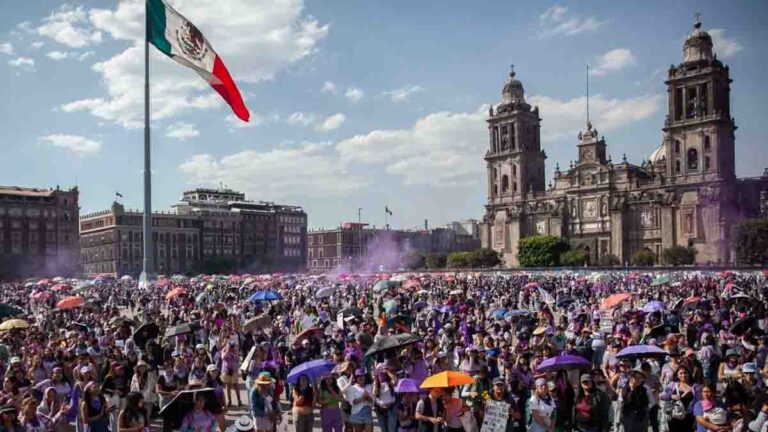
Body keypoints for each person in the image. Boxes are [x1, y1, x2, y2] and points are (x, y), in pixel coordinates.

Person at [660, 366, 697, 431]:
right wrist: (670, 396)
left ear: (689, 374)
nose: (683, 375)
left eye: (685, 373)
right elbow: (661, 396)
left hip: (689, 416)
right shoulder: (672, 385)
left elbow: (698, 401)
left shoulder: (695, 387)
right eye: (681, 373)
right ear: (677, 375)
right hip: (674, 416)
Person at [620, 367, 650, 432]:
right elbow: (627, 401)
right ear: (632, 378)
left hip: (641, 416)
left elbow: (645, 403)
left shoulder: (643, 389)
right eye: (636, 378)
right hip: (629, 415)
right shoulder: (626, 388)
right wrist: (632, 389)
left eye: (640, 378)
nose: (638, 380)